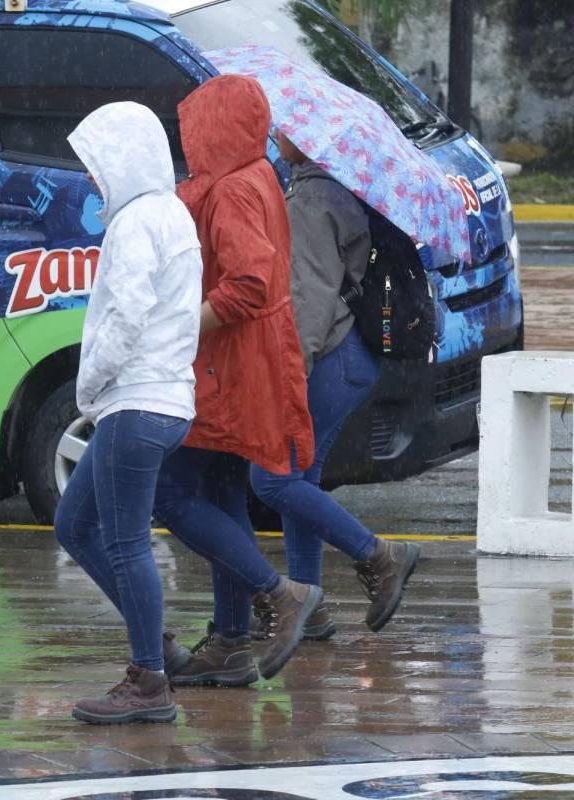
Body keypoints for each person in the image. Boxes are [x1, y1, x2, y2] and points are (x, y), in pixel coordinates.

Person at [151, 74, 322, 687]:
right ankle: (230, 642)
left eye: (194, 127)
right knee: (223, 494)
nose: (188, 139)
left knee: (169, 492)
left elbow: (248, 283)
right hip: (248, 359)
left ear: (215, 127)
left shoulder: (228, 191)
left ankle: (276, 592)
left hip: (226, 362)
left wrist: (178, 324)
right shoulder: (257, 176)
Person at [53, 101, 203, 725]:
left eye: (96, 163)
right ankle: (158, 646)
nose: (91, 178)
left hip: (136, 402)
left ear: (123, 158)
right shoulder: (170, 214)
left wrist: (87, 386)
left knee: (122, 542)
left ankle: (149, 682)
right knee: (74, 524)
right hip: (165, 402)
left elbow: (125, 315)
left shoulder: (137, 222)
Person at [247, 129, 420, 640]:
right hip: (350, 354)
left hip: (330, 357)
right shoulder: (328, 186)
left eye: (286, 130)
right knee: (300, 480)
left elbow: (309, 299)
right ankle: (309, 605)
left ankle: (379, 555)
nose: (276, 134)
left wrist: (290, 373)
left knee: (272, 480)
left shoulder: (312, 198)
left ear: (309, 139)